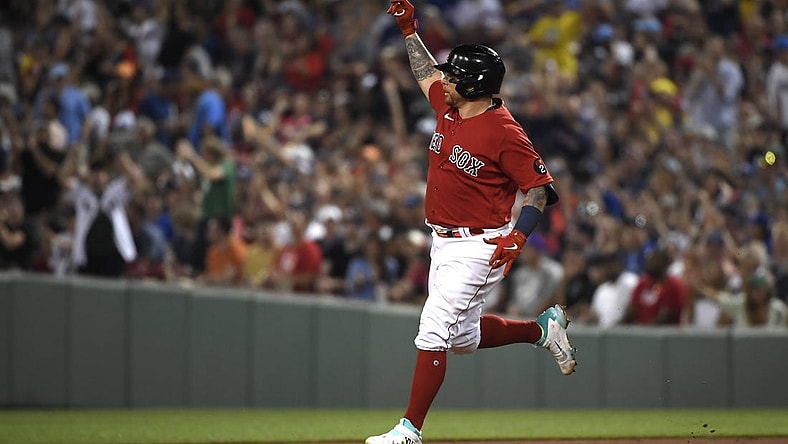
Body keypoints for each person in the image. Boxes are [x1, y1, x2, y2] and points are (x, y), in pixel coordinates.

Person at [366, 2, 576, 443]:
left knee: (434, 326)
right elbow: (424, 71)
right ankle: (543, 330)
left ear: (475, 85)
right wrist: (409, 30)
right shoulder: (450, 105)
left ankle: (409, 431)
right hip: (443, 241)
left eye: (453, 75)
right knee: (461, 338)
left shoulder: (505, 132)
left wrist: (519, 237)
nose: (443, 79)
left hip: (482, 244)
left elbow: (538, 190)